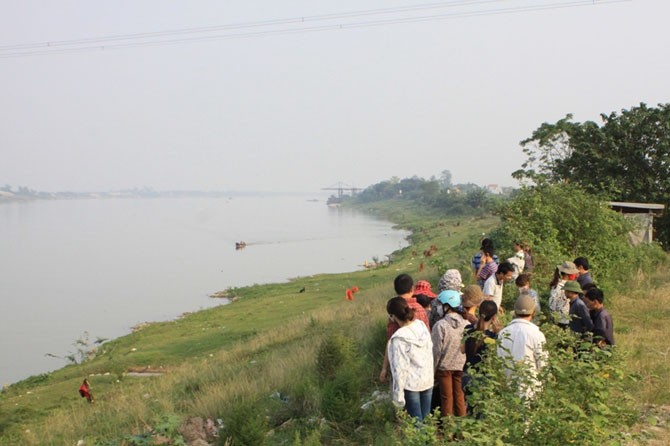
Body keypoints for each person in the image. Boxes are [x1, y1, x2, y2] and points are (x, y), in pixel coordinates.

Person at [386, 297, 434, 421]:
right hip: (427, 379)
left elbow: (399, 369)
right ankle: (429, 440)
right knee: (426, 420)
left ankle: (421, 441)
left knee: (416, 423)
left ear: (392, 316)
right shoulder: (421, 326)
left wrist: (398, 397)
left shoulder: (398, 338)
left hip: (411, 385)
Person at [380, 274, 429, 383]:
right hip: (423, 366)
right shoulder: (421, 309)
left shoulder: (395, 309)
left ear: (396, 289)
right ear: (412, 289)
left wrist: (384, 368)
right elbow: (428, 337)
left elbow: (390, 342)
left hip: (402, 366)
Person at [497, 294, 548, 400]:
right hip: (531, 387)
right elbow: (543, 364)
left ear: (515, 312)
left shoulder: (503, 333)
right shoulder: (537, 334)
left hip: (507, 386)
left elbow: (499, 360)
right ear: (533, 313)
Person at [432, 290, 468, 417]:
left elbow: (436, 351)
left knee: (446, 399)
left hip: (444, 368)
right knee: (460, 398)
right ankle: (462, 430)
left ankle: (448, 430)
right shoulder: (466, 323)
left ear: (447, 306)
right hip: (461, 367)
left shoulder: (439, 325)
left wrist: (433, 371)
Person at [462, 300, 500, 407]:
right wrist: (497, 334)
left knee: (470, 409)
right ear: (494, 317)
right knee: (482, 412)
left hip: (467, 374)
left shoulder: (468, 329)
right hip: (484, 377)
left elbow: (462, 350)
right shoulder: (492, 337)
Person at [549, 261, 579, 328]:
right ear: (569, 274)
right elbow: (553, 305)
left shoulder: (557, 284)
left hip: (560, 319)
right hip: (561, 320)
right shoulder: (562, 287)